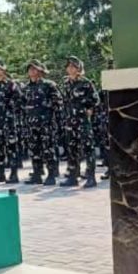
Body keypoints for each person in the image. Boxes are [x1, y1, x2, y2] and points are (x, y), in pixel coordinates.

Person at [23, 60, 63, 186]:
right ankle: (36, 174)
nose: (32, 72)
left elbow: (58, 102)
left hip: (46, 124)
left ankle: (51, 174)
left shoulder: (49, 85)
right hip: (31, 124)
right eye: (30, 69)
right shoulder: (27, 87)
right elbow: (23, 104)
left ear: (41, 71)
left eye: (35, 69)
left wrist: (50, 115)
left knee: (48, 149)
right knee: (34, 149)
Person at [62, 56, 99, 188]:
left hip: (82, 121)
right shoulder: (66, 83)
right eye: (69, 66)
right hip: (70, 122)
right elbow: (65, 101)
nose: (71, 69)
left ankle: (91, 177)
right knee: (72, 150)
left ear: (79, 69)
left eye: (73, 66)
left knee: (88, 149)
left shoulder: (86, 83)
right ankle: (73, 176)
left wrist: (89, 108)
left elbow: (95, 99)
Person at [0, 60, 22, 183]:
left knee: (11, 147)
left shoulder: (11, 85)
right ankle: (0, 173)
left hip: (9, 122)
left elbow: (19, 101)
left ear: (4, 71)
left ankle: (14, 174)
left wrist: (10, 113)